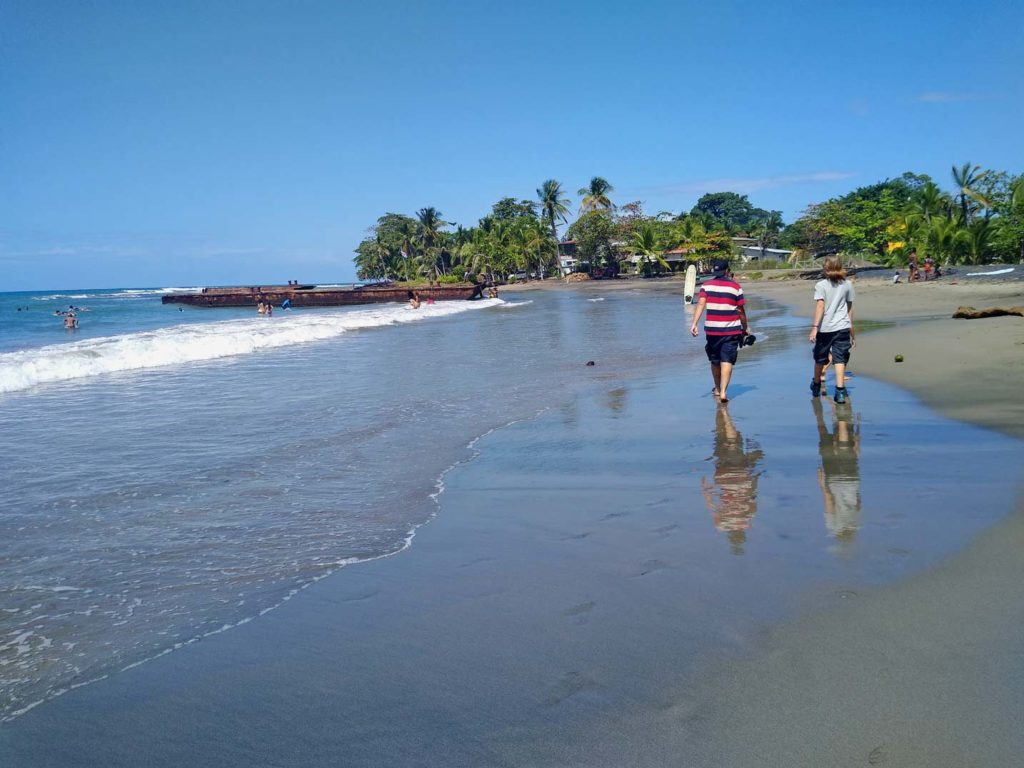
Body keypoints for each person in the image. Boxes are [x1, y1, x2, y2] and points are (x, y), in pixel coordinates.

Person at [701, 406, 764, 555]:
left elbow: (752, 494)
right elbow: (712, 506)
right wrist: (706, 490)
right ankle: (724, 422)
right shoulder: (722, 525)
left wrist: (754, 475)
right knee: (726, 449)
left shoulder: (747, 520)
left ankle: (725, 419)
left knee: (734, 446)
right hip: (724, 477)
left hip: (740, 476)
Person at [689, 258, 749, 404]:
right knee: (727, 359)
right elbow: (740, 310)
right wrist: (745, 326)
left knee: (715, 360)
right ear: (727, 271)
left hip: (712, 330)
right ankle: (723, 392)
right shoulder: (735, 287)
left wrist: (694, 323)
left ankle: (717, 388)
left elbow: (701, 304)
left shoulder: (706, 286)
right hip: (731, 330)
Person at [809, 254, 856, 403]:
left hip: (825, 328)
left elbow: (820, 306)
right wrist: (851, 330)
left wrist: (814, 327)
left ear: (826, 268)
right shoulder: (848, 284)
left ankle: (816, 385)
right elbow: (849, 308)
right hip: (843, 326)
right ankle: (840, 391)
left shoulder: (821, 285)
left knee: (820, 358)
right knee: (840, 359)